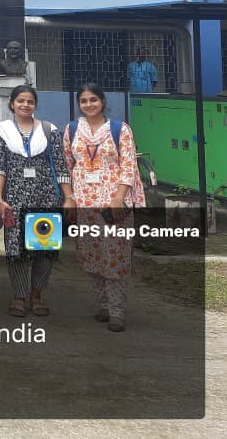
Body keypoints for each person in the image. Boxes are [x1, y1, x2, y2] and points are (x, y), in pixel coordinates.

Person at [64, 83, 146, 332]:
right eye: (84, 101)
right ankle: (102, 305)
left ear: (102, 101)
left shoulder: (120, 129)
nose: (89, 104)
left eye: (93, 100)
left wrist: (119, 198)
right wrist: (70, 198)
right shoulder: (72, 130)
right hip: (85, 204)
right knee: (92, 256)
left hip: (113, 205)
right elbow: (67, 165)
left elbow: (129, 166)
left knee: (114, 257)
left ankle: (117, 312)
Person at [0, 84, 74, 319]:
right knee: (16, 250)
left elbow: (61, 167)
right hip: (14, 199)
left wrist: (69, 197)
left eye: (30, 101)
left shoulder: (49, 130)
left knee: (44, 249)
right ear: (12, 104)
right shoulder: (1, 131)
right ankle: (19, 296)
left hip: (45, 197)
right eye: (20, 101)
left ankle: (37, 295)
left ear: (35, 104)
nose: (25, 105)